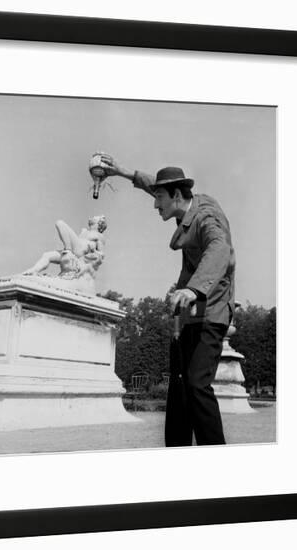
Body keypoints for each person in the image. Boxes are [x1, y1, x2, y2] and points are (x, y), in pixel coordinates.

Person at [100, 154, 235, 446]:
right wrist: (122, 172)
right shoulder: (184, 204)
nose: (154, 203)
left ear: (176, 195)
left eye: (159, 197)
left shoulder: (207, 217)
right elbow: (154, 184)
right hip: (187, 312)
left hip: (210, 312)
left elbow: (219, 248)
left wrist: (194, 288)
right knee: (178, 383)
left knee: (197, 384)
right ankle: (177, 454)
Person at [23, 215, 107, 278]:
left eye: (95, 217)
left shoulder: (99, 236)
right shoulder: (84, 231)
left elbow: (101, 256)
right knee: (47, 255)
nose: (91, 217)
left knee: (60, 223)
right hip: (75, 252)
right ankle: (34, 270)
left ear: (99, 223)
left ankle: (68, 250)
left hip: (80, 251)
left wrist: (93, 251)